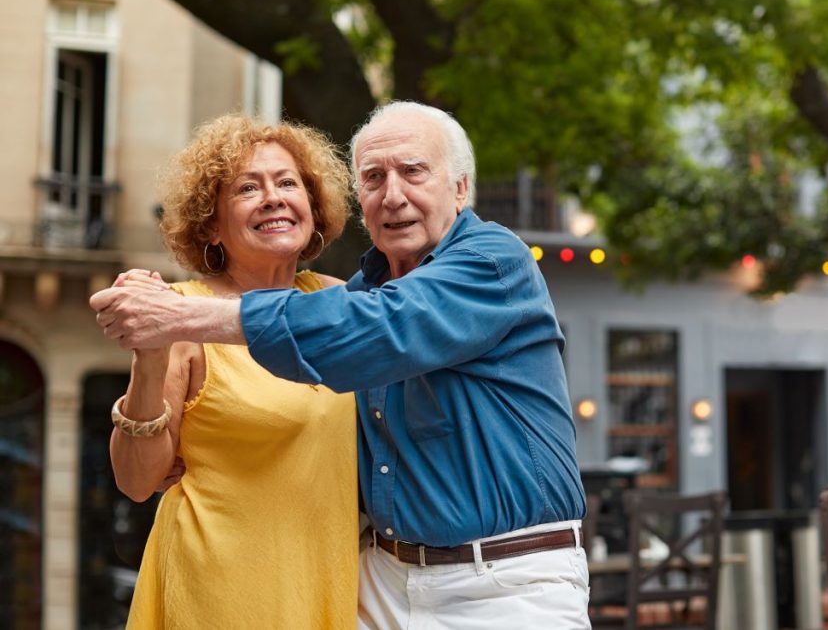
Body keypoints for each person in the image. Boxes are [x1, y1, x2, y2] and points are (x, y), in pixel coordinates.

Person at [91, 101, 591, 629]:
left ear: (461, 188)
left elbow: (376, 328)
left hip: (501, 584)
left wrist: (180, 316)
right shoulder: (357, 295)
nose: (393, 194)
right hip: (362, 585)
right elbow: (144, 474)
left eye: (414, 171)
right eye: (374, 177)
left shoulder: (489, 262)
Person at [104, 114, 358, 629]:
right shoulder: (180, 312)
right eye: (248, 188)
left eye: (288, 183)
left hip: (326, 577)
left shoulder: (339, 299)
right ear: (211, 224)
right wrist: (150, 356)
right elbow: (136, 481)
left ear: (312, 206)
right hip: (221, 584)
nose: (273, 197)